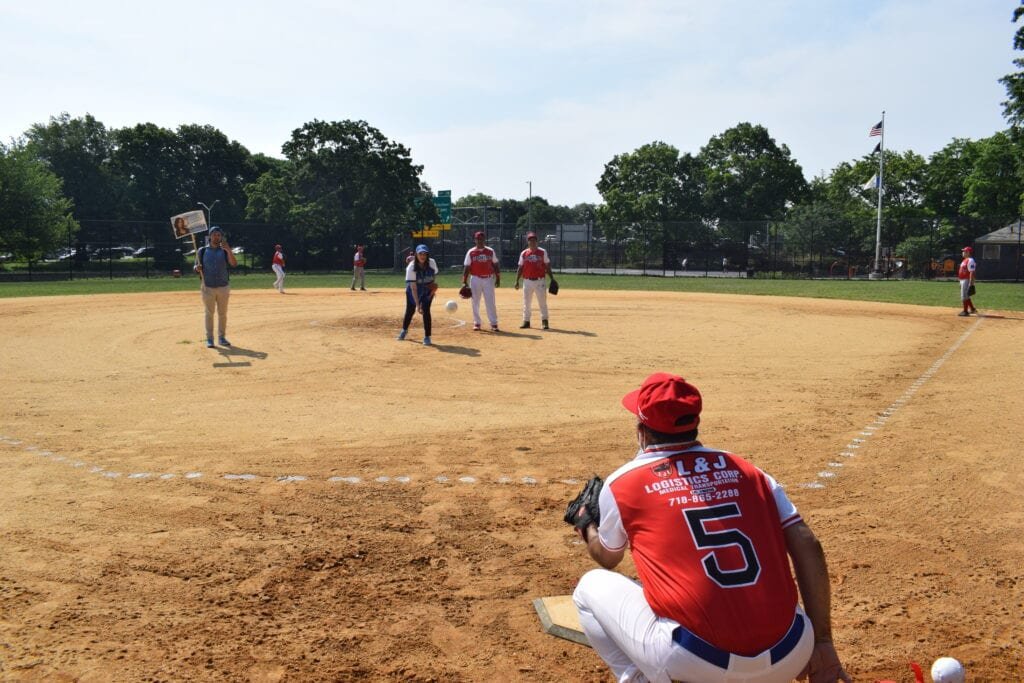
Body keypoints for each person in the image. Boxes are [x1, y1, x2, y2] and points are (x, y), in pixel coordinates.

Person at [573, 372, 850, 683]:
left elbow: (609, 558)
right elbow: (808, 545)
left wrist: (587, 526)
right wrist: (822, 642)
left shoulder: (624, 482)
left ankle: (641, 679)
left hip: (694, 663)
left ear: (642, 430)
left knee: (589, 587)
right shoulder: (748, 470)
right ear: (695, 421)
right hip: (791, 653)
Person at [194, 227, 238, 348]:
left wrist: (229, 250)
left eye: (219, 235)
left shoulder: (224, 251)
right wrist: (197, 268)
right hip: (207, 286)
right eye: (214, 235)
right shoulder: (202, 251)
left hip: (223, 286)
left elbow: (234, 264)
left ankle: (222, 337)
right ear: (209, 237)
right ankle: (209, 339)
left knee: (222, 313)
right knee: (209, 313)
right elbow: (195, 267)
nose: (217, 237)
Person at [397, 244, 438, 346]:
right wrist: (417, 305)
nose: (422, 256)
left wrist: (432, 290)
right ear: (416, 254)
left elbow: (433, 278)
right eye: (420, 254)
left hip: (427, 290)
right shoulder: (411, 267)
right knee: (410, 311)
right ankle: (404, 329)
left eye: (425, 254)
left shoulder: (432, 262)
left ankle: (427, 336)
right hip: (413, 291)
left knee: (426, 310)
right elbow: (413, 287)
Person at [462, 231, 501, 332]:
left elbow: (496, 265)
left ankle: (494, 323)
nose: (480, 241)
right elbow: (467, 267)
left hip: (488, 279)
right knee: (475, 301)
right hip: (475, 279)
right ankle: (477, 322)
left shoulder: (490, 251)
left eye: (482, 239)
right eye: (478, 239)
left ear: (484, 240)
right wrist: (464, 281)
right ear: (475, 240)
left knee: (490, 302)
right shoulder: (471, 252)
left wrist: (498, 278)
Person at [514, 232, 553, 329]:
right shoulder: (524, 253)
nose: (532, 242)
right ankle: (526, 321)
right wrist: (517, 280)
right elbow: (520, 268)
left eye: (534, 240)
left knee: (542, 302)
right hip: (527, 281)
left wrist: (552, 278)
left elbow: (547, 266)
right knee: (526, 302)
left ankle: (545, 321)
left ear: (537, 241)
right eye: (530, 240)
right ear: (528, 242)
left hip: (540, 281)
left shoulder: (542, 252)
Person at [957, 246, 977, 316]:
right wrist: (960, 281)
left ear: (968, 252)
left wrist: (971, 283)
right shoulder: (965, 260)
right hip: (962, 280)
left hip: (966, 280)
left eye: (964, 251)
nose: (963, 252)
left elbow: (972, 272)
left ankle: (965, 311)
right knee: (966, 295)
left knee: (964, 296)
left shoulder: (970, 260)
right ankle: (972, 309)